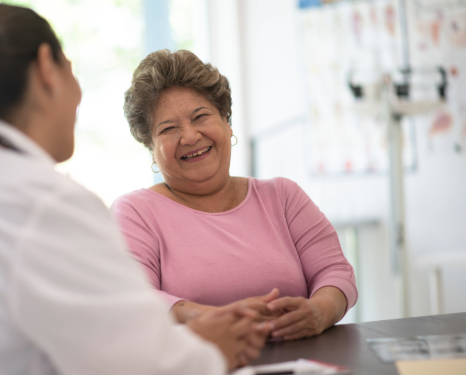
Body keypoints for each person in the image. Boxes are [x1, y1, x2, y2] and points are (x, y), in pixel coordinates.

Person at [0, 4, 269, 374]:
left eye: (201, 116)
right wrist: (209, 348)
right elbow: (140, 363)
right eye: (72, 70)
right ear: (45, 68)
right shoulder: (40, 202)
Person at [112, 49, 358, 341]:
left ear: (227, 122)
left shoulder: (283, 196)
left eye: (200, 116)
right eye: (168, 129)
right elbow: (134, 299)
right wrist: (207, 319)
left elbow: (335, 272)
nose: (190, 136)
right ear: (151, 148)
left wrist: (319, 311)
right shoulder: (135, 212)